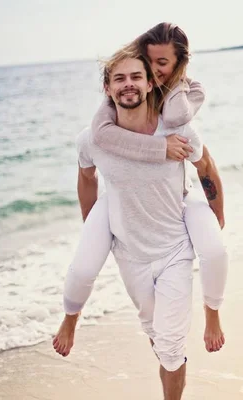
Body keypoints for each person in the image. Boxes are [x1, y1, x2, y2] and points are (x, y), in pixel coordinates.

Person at [53, 23, 228, 357]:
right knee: (84, 268)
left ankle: (211, 315)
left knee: (215, 251)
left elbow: (205, 165)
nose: (154, 70)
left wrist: (218, 216)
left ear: (178, 66)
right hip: (118, 199)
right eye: (150, 61)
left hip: (178, 195)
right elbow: (95, 155)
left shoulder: (177, 104)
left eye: (162, 64)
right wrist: (92, 222)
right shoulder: (103, 120)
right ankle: (70, 320)